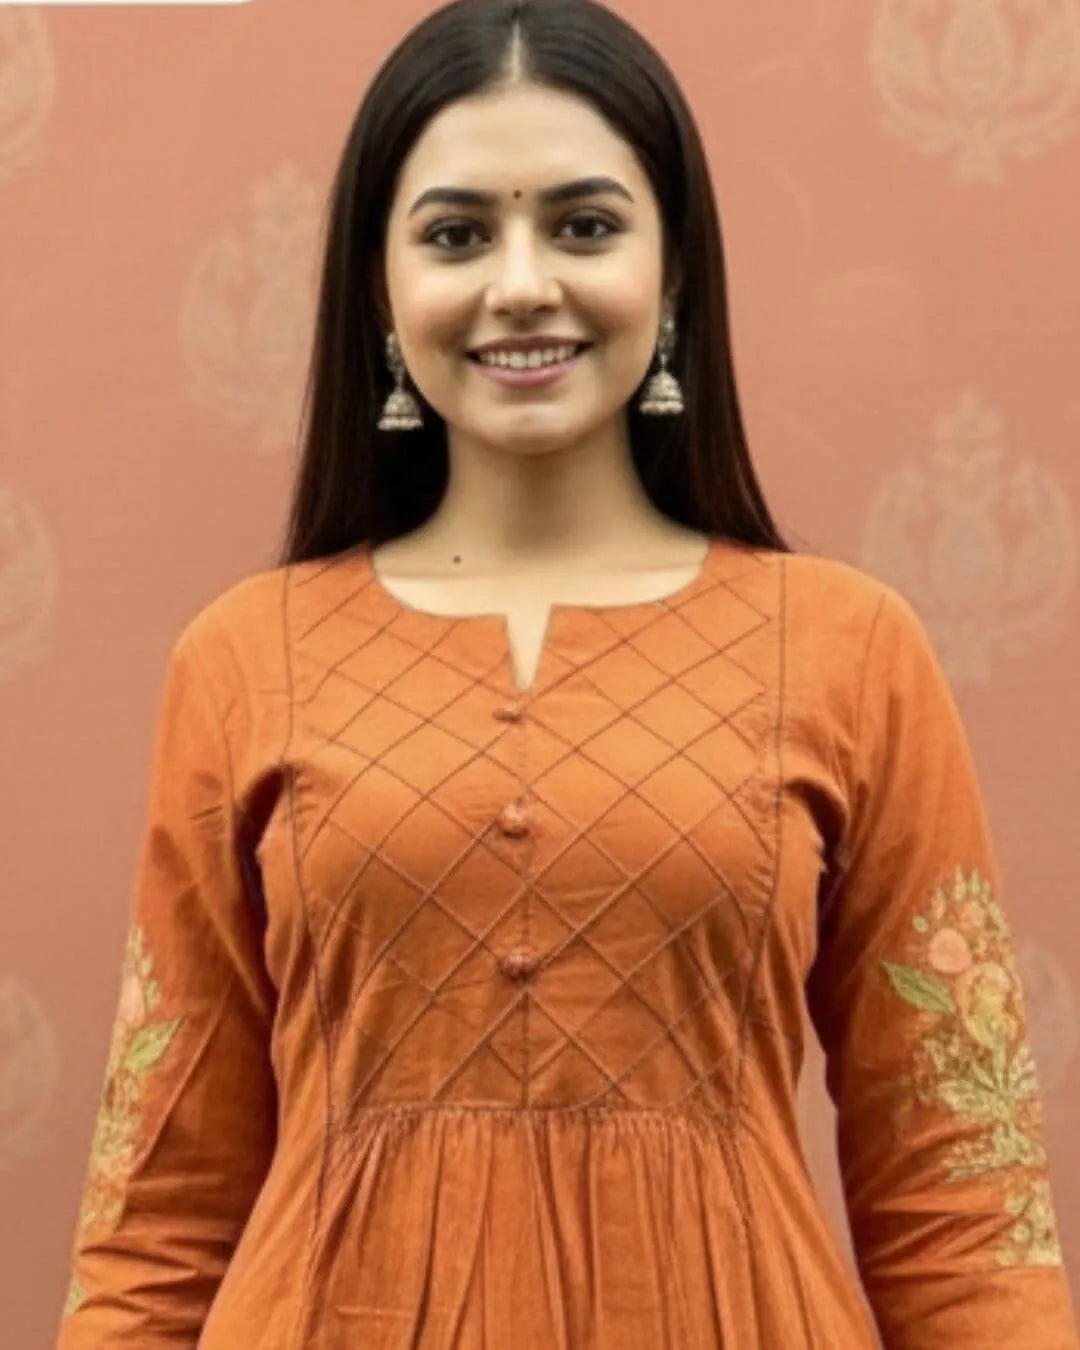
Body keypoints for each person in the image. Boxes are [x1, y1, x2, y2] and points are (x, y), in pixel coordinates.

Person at [55, 0, 1078, 1346]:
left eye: (585, 226)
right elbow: (162, 1206)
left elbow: (962, 1193)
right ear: (379, 287)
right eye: (457, 233)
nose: (521, 281)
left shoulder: (848, 647)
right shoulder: (245, 659)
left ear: (674, 278)